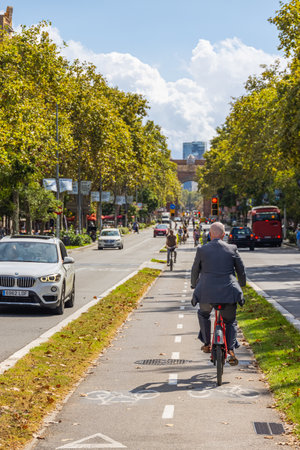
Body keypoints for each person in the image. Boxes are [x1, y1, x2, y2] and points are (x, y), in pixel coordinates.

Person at [190, 222, 246, 366]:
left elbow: (195, 269)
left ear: (210, 235)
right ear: (223, 235)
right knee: (230, 321)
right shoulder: (232, 248)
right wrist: (242, 284)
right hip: (228, 293)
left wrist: (193, 284)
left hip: (206, 293)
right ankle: (231, 349)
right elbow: (241, 270)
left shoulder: (202, 249)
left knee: (204, 314)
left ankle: (207, 343)